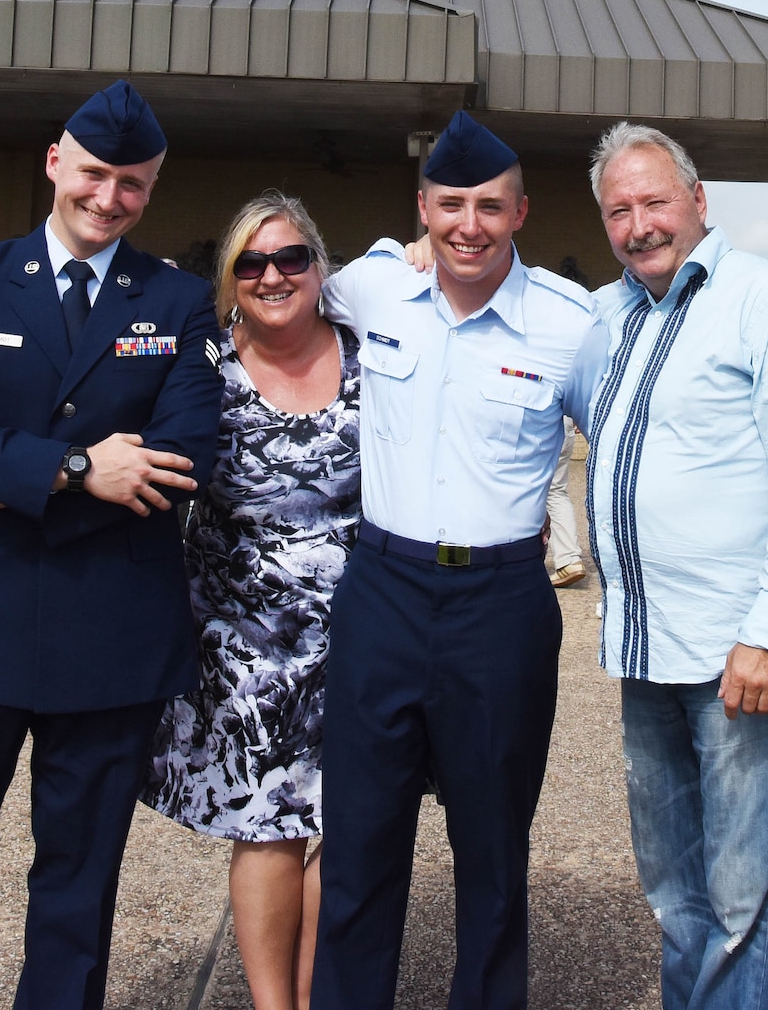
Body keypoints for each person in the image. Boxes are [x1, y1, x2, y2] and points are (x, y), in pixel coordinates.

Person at [0, 80, 222, 1008]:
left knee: (77, 885)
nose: (109, 198)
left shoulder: (178, 301)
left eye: (133, 184)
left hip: (110, 637)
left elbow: (183, 459)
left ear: (151, 189)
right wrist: (73, 470)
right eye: (95, 173)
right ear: (56, 162)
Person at [309, 110, 607, 1010]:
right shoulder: (370, 287)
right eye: (449, 205)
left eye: (488, 205)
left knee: (492, 851)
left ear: (520, 212)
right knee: (359, 843)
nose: (466, 224)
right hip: (383, 592)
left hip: (500, 603)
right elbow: (272, 304)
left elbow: (628, 449)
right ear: (422, 208)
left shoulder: (571, 322)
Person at [584, 124, 768, 1010]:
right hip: (644, 653)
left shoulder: (766, 299)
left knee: (744, 905)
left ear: (699, 201)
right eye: (619, 209)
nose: (638, 224)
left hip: (742, 659)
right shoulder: (608, 314)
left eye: (655, 201)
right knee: (675, 898)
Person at [145, 194, 358, 1010]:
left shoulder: (372, 351)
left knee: (347, 824)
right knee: (268, 823)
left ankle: (318, 994)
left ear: (319, 265)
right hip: (242, 643)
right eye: (253, 263)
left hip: (358, 632)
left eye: (291, 257)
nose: (274, 275)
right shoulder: (202, 367)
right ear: (230, 279)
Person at [544, 420, 585, 586]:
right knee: (556, 491)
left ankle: (516, 559)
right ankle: (569, 560)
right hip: (562, 421)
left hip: (536, 422)